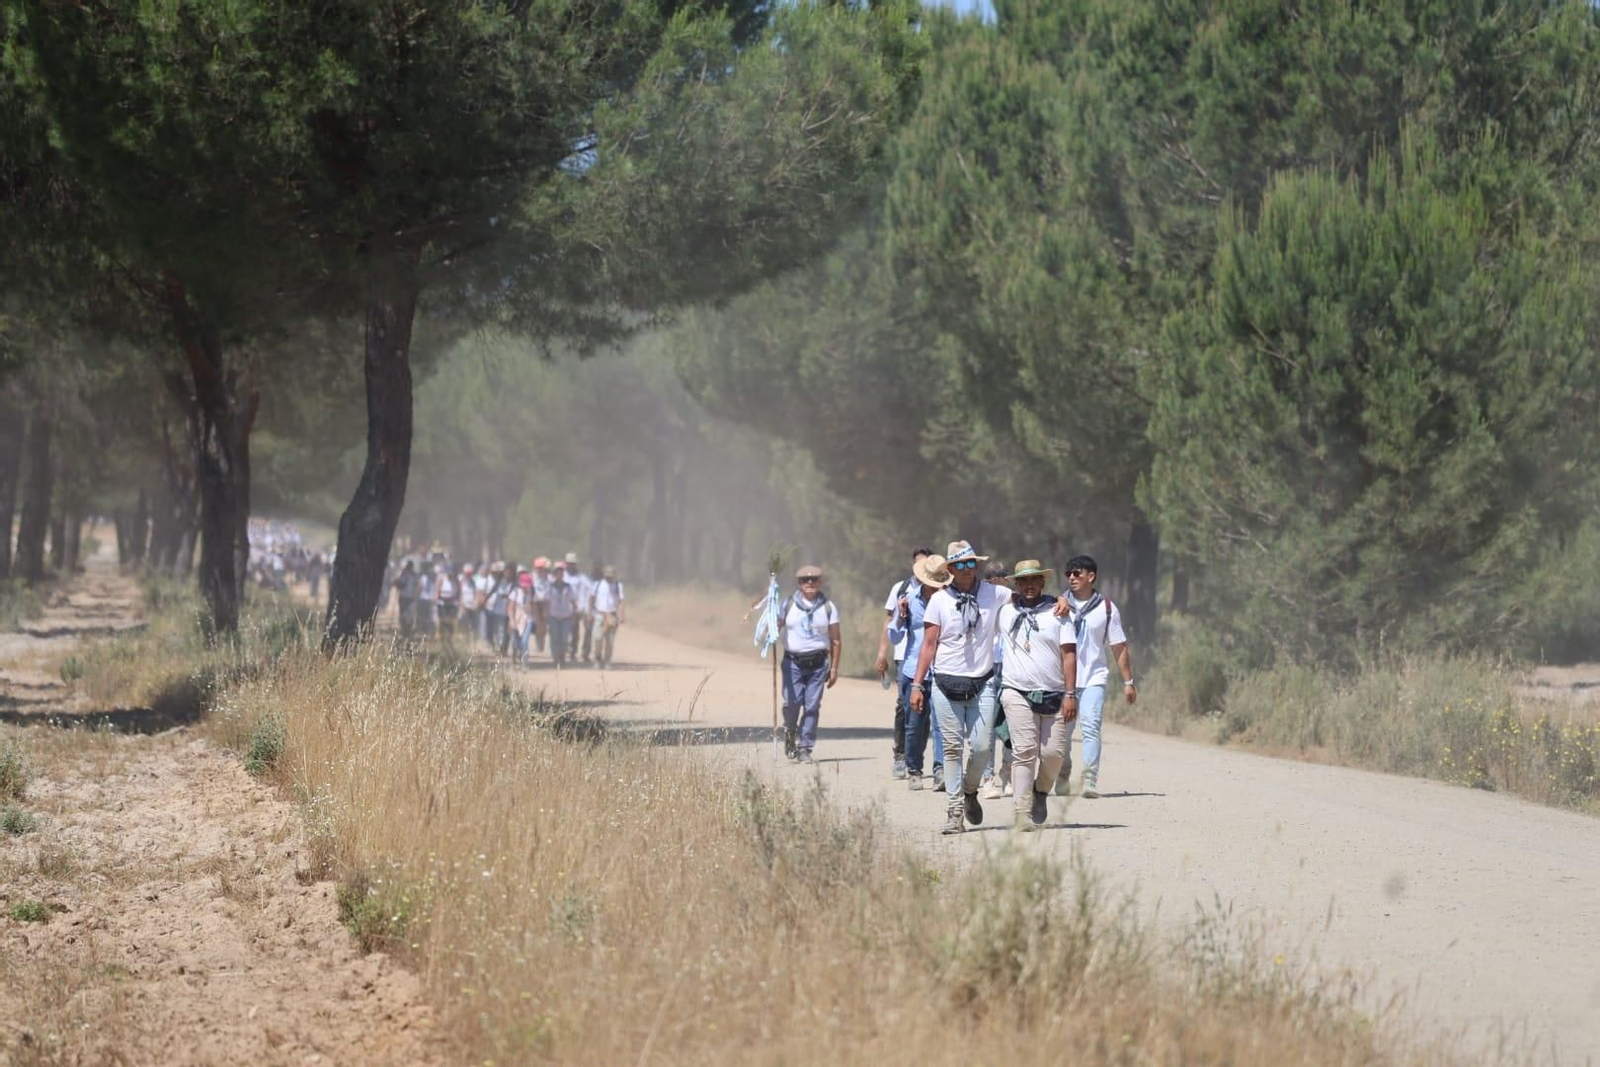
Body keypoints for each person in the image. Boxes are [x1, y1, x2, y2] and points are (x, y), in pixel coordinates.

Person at [909, 539, 1009, 834]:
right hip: (945, 683)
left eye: (970, 563)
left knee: (982, 747)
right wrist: (917, 685)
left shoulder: (994, 593)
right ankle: (954, 812)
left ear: (976, 565)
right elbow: (929, 645)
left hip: (982, 682)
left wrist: (1057, 601)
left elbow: (1026, 599)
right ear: (950, 569)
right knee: (952, 749)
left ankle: (969, 790)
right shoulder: (939, 601)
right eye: (960, 564)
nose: (966, 569)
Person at [996, 560, 1078, 830]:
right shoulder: (1005, 610)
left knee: (1054, 754)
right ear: (1016, 584)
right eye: (1023, 581)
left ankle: (1040, 791)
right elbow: (979, 593)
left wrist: (1070, 693)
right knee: (1025, 751)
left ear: (1043, 582)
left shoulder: (1059, 612)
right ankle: (1021, 813)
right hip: (1016, 690)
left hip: (1054, 692)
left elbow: (1069, 654)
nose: (1029, 585)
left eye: (1034, 580)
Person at [1055, 554, 1136, 799]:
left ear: (1091, 576)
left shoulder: (1107, 609)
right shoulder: (1058, 606)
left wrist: (1128, 682)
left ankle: (1089, 780)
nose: (1071, 578)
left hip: (1094, 678)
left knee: (1091, 727)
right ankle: (1062, 773)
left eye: (1077, 573)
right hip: (1063, 681)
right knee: (1062, 734)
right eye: (1068, 574)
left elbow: (1118, 646)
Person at [887, 552, 947, 791]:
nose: (933, 587)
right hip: (913, 669)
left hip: (942, 669)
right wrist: (901, 616)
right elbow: (894, 637)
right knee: (914, 724)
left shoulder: (949, 600)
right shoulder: (909, 600)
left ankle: (940, 770)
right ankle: (914, 769)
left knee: (941, 724)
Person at [876, 547, 933, 780]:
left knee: (925, 712)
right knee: (904, 706)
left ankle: (915, 754)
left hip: (930, 658)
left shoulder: (939, 589)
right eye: (918, 563)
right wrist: (882, 653)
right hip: (904, 655)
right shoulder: (901, 588)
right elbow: (889, 621)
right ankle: (901, 755)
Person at [780, 564, 841, 764]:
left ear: (820, 582)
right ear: (799, 583)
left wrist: (834, 668)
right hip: (793, 663)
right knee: (792, 702)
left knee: (812, 706)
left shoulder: (828, 608)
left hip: (818, 664)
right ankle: (790, 731)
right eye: (805, 580)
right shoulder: (788, 604)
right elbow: (776, 625)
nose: (809, 583)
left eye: (813, 580)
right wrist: (770, 629)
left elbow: (836, 640)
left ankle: (805, 747)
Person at [981, 559, 1014, 800]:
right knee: (989, 726)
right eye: (999, 580)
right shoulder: (982, 603)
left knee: (1012, 724)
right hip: (989, 668)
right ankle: (988, 778)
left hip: (1012, 668)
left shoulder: (1015, 603)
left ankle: (1008, 772)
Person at [546, 561, 582, 667]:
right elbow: (546, 602)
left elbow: (573, 601)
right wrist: (545, 615)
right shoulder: (550, 587)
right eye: (557, 572)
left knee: (564, 638)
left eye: (561, 572)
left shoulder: (568, 587)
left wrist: (575, 613)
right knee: (555, 638)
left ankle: (562, 658)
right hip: (553, 616)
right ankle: (556, 658)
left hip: (566, 616)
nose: (559, 574)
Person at [565, 552, 595, 665]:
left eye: (573, 563)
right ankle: (572, 652)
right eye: (569, 563)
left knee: (588, 630)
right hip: (569, 609)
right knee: (573, 632)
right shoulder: (564, 576)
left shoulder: (582, 577)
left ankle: (585, 653)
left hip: (583, 608)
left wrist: (589, 609)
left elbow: (591, 591)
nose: (571, 565)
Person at [592, 565, 626, 667]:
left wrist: (622, 614)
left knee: (610, 641)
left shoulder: (618, 585)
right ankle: (597, 658)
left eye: (611, 576)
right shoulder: (597, 584)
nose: (609, 578)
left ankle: (607, 661)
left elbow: (621, 601)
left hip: (612, 615)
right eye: (607, 576)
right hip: (600, 614)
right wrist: (589, 613)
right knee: (597, 638)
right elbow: (591, 598)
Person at [485, 562, 511, 652]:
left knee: (503, 631)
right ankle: (499, 647)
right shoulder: (497, 582)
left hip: (506, 611)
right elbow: (493, 593)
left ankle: (502, 648)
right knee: (497, 630)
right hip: (497, 611)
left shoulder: (507, 582)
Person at [395, 559, 419, 639]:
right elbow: (399, 584)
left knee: (411, 615)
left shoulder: (414, 575)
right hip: (403, 597)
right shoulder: (403, 574)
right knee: (403, 615)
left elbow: (417, 585)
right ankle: (404, 630)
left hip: (411, 598)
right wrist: (397, 582)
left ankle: (408, 630)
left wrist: (416, 593)